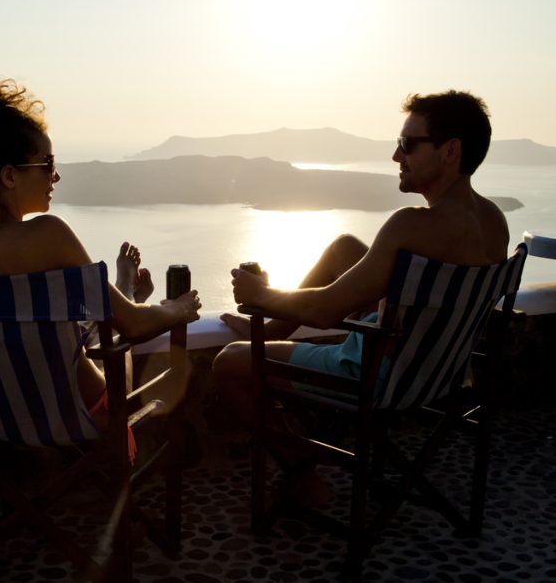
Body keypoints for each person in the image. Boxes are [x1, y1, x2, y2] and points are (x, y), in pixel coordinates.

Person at [212, 90, 509, 503]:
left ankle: (301, 470)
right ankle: (270, 329)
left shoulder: (410, 226)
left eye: (407, 144)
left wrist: (261, 294)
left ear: (450, 151)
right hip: (440, 368)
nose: (395, 156)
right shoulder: (494, 220)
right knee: (344, 248)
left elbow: (323, 310)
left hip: (379, 376)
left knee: (229, 364)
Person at [0, 70, 201, 427]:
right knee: (116, 340)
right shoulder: (49, 236)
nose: (56, 177)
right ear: (9, 176)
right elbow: (133, 325)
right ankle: (125, 289)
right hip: (77, 413)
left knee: (90, 329)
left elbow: (8, 333)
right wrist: (179, 308)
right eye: (48, 164)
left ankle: (121, 291)